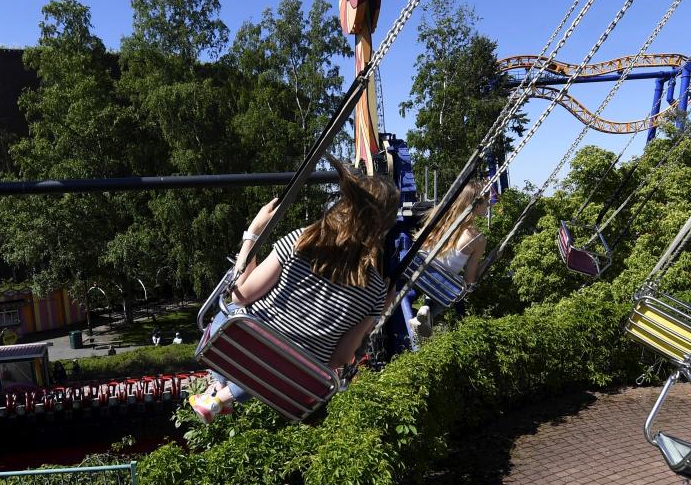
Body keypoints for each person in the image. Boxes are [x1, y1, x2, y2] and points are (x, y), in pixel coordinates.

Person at [191, 160, 398, 423]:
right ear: (382, 228)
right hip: (295, 381)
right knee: (281, 365)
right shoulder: (376, 291)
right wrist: (377, 312)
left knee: (238, 320)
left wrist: (253, 234)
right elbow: (342, 357)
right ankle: (221, 396)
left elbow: (241, 295)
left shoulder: (300, 242)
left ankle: (218, 391)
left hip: (246, 342)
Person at [409, 179, 491, 338]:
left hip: (417, 270)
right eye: (486, 202)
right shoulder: (478, 239)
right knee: (461, 289)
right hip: (440, 284)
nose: (488, 205)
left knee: (439, 277)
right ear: (477, 204)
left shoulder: (441, 216)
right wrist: (483, 268)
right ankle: (429, 311)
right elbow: (468, 278)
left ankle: (426, 309)